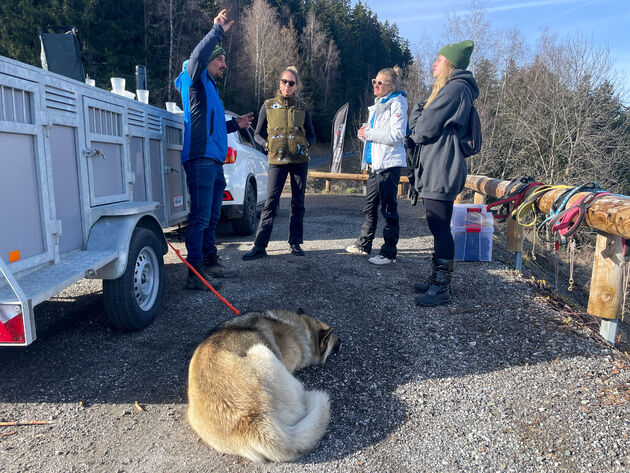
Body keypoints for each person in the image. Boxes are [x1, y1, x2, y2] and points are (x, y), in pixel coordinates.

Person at [174, 9, 254, 290]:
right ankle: (194, 274)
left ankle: (209, 261)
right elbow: (196, 56)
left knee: (212, 215)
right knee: (200, 216)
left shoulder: (211, 91)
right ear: (207, 61)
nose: (224, 64)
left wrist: (237, 124)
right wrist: (216, 30)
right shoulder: (194, 80)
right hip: (201, 159)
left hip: (214, 161)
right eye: (219, 59)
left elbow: (215, 128)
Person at [408, 40, 478, 306]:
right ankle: (437, 278)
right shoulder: (454, 90)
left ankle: (441, 286)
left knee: (439, 227)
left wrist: (421, 110)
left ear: (450, 63)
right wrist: (422, 109)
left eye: (438, 59)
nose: (433, 63)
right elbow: (419, 126)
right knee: (438, 226)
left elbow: (422, 129)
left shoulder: (455, 89)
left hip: (442, 167)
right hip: (440, 165)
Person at [242, 66, 316, 260]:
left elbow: (312, 134)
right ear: (279, 83)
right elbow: (256, 134)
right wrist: (267, 145)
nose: (287, 86)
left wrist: (306, 145)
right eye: (284, 82)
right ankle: (259, 246)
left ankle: (295, 243)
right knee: (270, 203)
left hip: (299, 161)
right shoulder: (268, 105)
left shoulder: (302, 107)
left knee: (297, 202)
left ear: (296, 86)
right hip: (277, 160)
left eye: (291, 83)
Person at [345, 66, 408, 265]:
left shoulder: (398, 103)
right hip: (375, 164)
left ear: (389, 86)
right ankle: (364, 244)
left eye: (380, 82)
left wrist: (369, 133)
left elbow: (397, 135)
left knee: (388, 208)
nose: (375, 85)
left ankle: (389, 252)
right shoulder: (379, 104)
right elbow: (373, 132)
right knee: (370, 206)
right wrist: (364, 133)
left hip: (389, 164)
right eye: (374, 81)